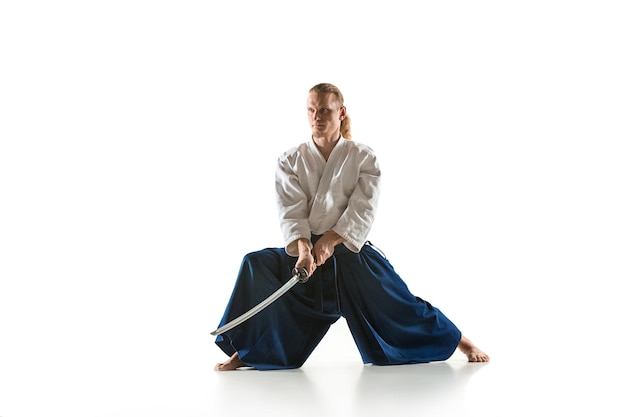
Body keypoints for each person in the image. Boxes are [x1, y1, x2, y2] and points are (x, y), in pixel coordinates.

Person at [213, 83, 489, 371]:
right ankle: (247, 352)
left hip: (349, 252)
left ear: (341, 112)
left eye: (324, 110)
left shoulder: (363, 158)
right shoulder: (290, 160)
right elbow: (291, 212)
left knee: (403, 307)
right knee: (256, 266)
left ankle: (460, 341)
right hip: (308, 258)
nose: (316, 116)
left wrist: (331, 241)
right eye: (311, 110)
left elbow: (362, 208)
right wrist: (305, 250)